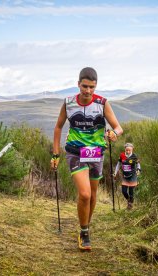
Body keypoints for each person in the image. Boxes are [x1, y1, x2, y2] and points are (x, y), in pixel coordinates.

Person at [50, 67, 123, 251]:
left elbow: (118, 127)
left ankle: (86, 226)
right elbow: (58, 127)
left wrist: (114, 133)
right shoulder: (68, 103)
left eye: (92, 87)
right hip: (75, 151)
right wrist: (55, 153)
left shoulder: (102, 103)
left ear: (96, 85)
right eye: (84, 86)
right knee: (84, 194)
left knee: (92, 195)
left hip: (96, 153)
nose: (88, 91)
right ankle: (84, 232)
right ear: (78, 84)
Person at [113, 143, 141, 210]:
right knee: (124, 191)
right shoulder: (122, 155)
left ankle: (130, 204)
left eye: (129, 150)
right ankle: (129, 200)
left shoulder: (134, 156)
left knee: (131, 191)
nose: (128, 152)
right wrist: (115, 172)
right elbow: (118, 164)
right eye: (126, 150)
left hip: (133, 175)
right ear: (125, 149)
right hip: (125, 175)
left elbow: (138, 165)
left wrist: (138, 170)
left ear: (132, 149)